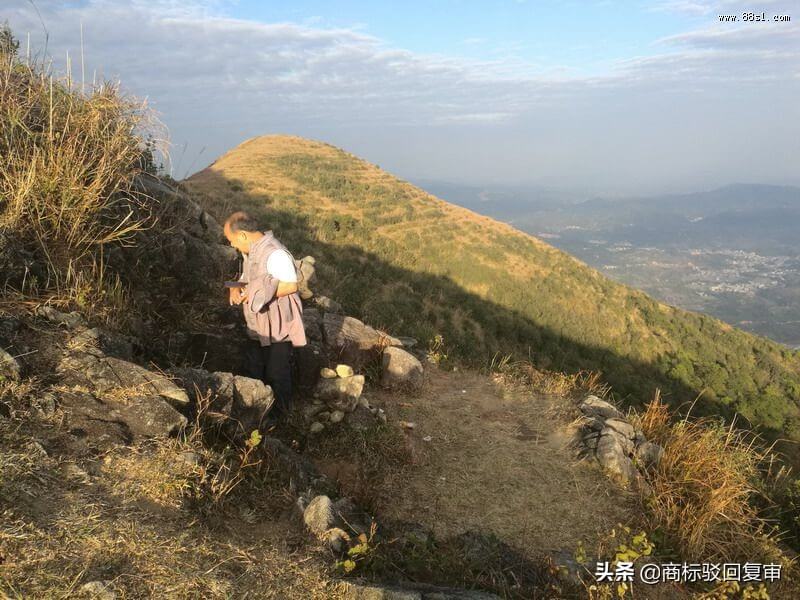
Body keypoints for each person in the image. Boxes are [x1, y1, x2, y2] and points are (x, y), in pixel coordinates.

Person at [223, 211, 307, 422]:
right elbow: (248, 278)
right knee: (254, 365)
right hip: (259, 322)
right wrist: (237, 288)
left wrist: (253, 292)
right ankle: (257, 413)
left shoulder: (274, 253)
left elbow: (290, 284)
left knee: (277, 371)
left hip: (278, 322)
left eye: (232, 240)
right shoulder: (252, 251)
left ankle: (281, 418)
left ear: (242, 235)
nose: (233, 245)